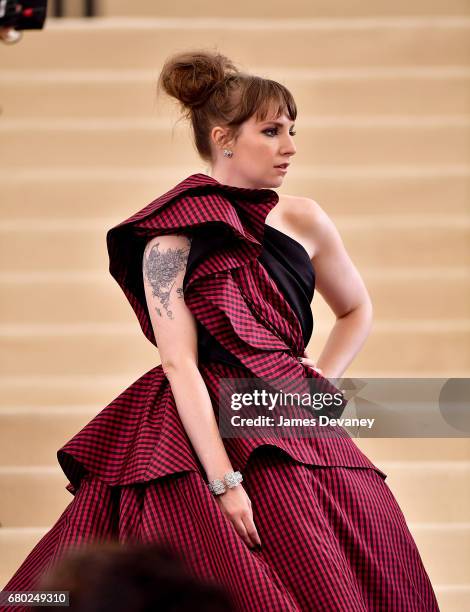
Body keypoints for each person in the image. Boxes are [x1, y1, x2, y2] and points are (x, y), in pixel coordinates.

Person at [2, 49, 440, 612]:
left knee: (371, 562)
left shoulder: (303, 217)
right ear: (222, 137)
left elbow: (356, 309)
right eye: (272, 130)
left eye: (292, 130)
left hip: (286, 414)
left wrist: (321, 379)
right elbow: (178, 363)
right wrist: (225, 484)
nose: (290, 146)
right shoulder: (168, 242)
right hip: (202, 428)